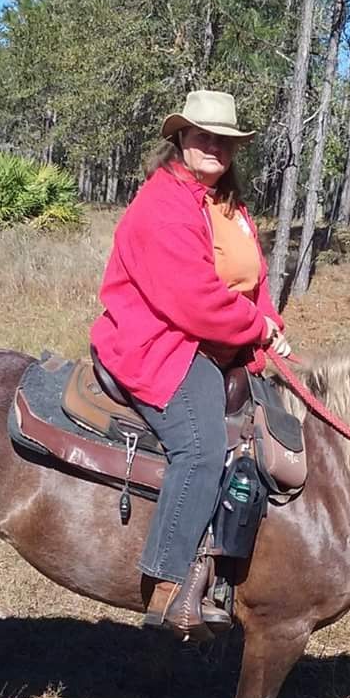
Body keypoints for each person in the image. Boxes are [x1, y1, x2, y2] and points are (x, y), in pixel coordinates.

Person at [90, 89, 291, 638]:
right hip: (158, 340)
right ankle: (168, 582)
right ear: (180, 138)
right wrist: (255, 330)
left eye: (224, 139)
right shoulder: (163, 205)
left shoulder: (227, 204)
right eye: (203, 135)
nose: (214, 146)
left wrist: (267, 324)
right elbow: (193, 298)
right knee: (203, 447)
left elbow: (254, 279)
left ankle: (231, 567)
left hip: (216, 341)